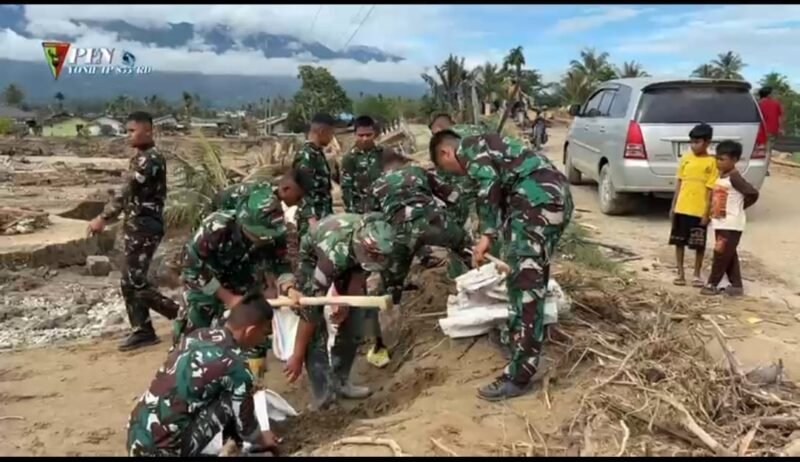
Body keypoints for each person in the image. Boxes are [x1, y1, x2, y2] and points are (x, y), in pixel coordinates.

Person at [429, 129, 573, 401]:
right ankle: (522, 344)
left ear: (446, 152)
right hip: (549, 198)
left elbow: (488, 186)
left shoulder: (469, 148)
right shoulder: (491, 145)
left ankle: (520, 374)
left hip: (537, 202)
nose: (458, 174)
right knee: (530, 278)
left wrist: (486, 235)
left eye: (449, 168)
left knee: (525, 286)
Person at [127, 291, 279, 457]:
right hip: (165, 451)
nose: (264, 340)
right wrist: (262, 438)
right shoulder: (236, 367)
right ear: (250, 331)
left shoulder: (197, 335)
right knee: (232, 399)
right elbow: (247, 427)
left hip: (137, 436)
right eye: (265, 334)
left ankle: (227, 444)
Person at [174, 188, 296, 374]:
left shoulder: (275, 228)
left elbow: (281, 264)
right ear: (244, 223)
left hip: (246, 278)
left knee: (253, 329)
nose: (264, 240)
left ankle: (248, 381)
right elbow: (192, 267)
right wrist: (228, 298)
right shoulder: (216, 228)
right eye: (258, 235)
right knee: (195, 327)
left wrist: (287, 285)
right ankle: (184, 371)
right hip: (207, 279)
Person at [369, 148, 471, 367]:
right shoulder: (418, 171)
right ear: (402, 161)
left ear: (382, 169)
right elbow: (454, 196)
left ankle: (381, 348)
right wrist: (456, 227)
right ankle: (489, 305)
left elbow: (373, 221)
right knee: (471, 256)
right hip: (435, 223)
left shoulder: (377, 185)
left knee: (388, 293)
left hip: (400, 235)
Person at [283, 213, 395, 410]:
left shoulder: (377, 239)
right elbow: (310, 310)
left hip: (348, 254)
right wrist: (297, 355)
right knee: (315, 327)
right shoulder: (333, 256)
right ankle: (323, 396)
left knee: (355, 318)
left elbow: (359, 272)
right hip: (314, 256)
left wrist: (345, 302)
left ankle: (341, 381)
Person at [87, 111, 179, 352]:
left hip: (145, 226)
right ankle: (143, 330)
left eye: (132, 130)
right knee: (129, 282)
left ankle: (181, 315)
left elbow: (126, 191)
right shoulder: (140, 157)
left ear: (148, 130)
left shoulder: (151, 159)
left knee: (135, 282)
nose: (128, 135)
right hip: (136, 225)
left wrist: (102, 218)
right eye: (127, 130)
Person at [702, 140, 760, 297]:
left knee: (720, 254)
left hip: (731, 224)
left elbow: (752, 193)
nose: (718, 163)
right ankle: (736, 285)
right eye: (717, 159)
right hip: (721, 222)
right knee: (729, 254)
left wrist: (741, 207)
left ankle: (712, 283)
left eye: (722, 159)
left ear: (734, 160)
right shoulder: (723, 176)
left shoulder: (735, 178)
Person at [669, 123, 718, 288]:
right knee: (679, 242)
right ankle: (680, 273)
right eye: (692, 142)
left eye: (697, 142)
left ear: (707, 142)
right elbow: (679, 182)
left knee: (699, 244)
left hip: (699, 210)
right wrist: (673, 205)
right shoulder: (686, 159)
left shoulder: (712, 163)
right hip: (682, 207)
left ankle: (696, 274)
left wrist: (707, 212)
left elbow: (711, 189)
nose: (693, 145)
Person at [292, 113, 336, 236]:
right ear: (322, 131)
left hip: (323, 216)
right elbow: (303, 191)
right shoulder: (306, 156)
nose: (332, 138)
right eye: (331, 134)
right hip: (312, 220)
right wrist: (311, 220)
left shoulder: (317, 153)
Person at [340, 115, 384, 214]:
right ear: (355, 135)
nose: (365, 139)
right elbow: (347, 188)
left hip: (382, 208)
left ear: (374, 134)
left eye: (368, 135)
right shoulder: (350, 158)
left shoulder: (383, 153)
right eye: (361, 135)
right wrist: (351, 213)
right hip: (360, 211)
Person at [758, 86, 783, 175]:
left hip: (759, 131)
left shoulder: (758, 104)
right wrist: (781, 128)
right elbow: (779, 117)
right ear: (768, 94)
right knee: (768, 150)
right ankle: (764, 170)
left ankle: (757, 167)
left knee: (758, 149)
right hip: (772, 130)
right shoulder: (776, 103)